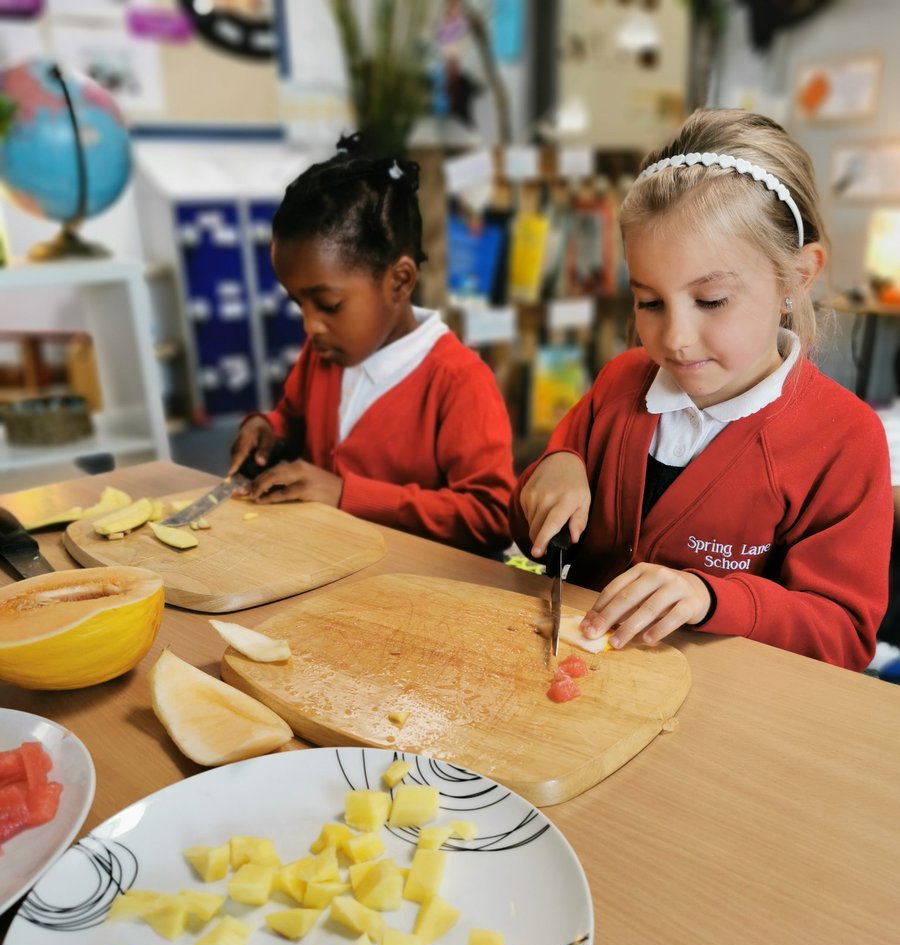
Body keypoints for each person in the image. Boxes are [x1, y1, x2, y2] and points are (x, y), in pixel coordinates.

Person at [510, 109, 893, 671]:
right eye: (649, 302)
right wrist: (551, 471)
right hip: (578, 685)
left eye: (711, 301)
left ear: (797, 277)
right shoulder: (619, 384)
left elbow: (842, 637)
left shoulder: (845, 440)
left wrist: (711, 598)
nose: (675, 338)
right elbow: (535, 540)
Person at [228, 133, 515, 556]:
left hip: (414, 583)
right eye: (298, 304)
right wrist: (267, 429)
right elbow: (292, 418)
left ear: (399, 281)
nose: (310, 325)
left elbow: (491, 517)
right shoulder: (324, 352)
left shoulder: (459, 381)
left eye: (329, 305)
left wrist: (346, 493)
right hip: (324, 562)